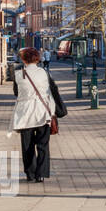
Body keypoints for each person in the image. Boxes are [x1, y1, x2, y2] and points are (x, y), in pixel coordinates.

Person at [11, 47, 65, 182]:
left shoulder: (18, 74)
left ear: (23, 59)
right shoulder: (44, 73)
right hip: (43, 112)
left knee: (27, 145)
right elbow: (53, 90)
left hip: (25, 113)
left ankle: (30, 173)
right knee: (43, 145)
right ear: (37, 59)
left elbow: (16, 93)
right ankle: (40, 174)